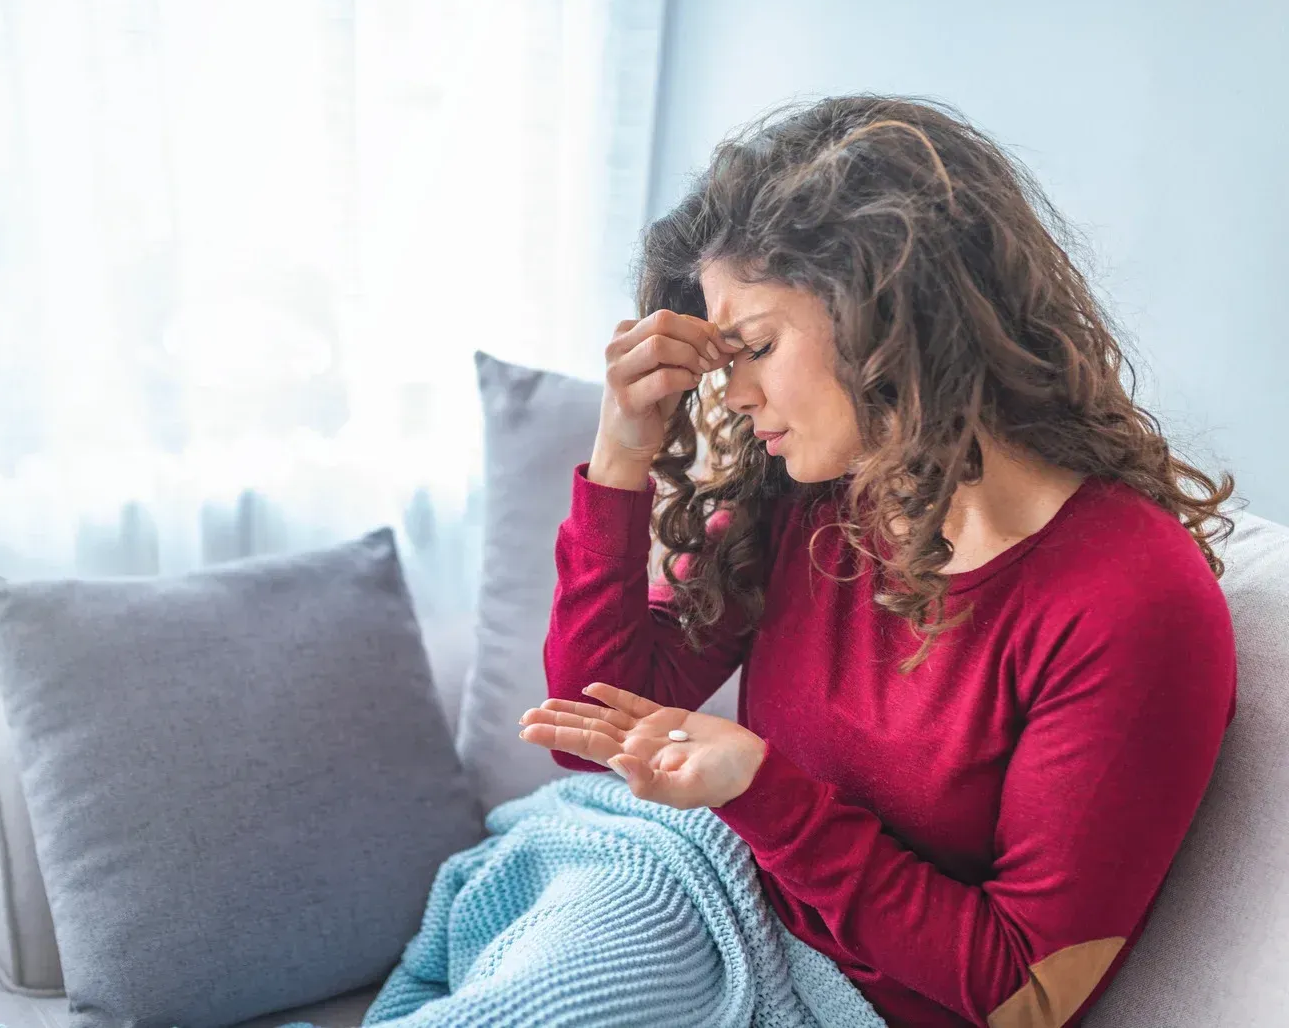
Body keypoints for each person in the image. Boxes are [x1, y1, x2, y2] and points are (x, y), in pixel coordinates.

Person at [515, 95, 1237, 1028]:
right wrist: (622, 459)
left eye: (758, 347)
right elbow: (591, 720)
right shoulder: (815, 492)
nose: (733, 395)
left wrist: (761, 791)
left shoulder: (1128, 601)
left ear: (888, 311)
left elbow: (1027, 994)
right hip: (693, 894)